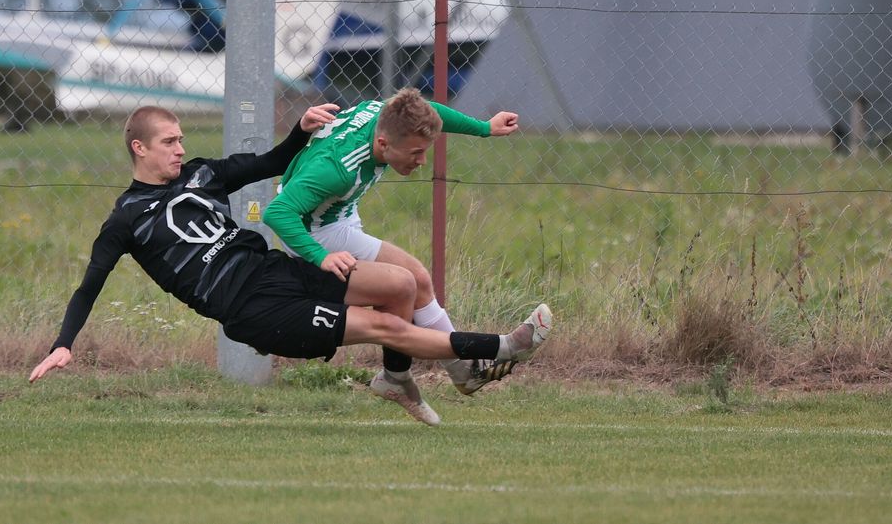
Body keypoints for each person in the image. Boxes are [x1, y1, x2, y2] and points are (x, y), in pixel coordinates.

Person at [28, 104, 552, 426]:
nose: (181, 150)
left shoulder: (204, 174)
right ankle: (501, 348)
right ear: (139, 149)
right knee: (382, 323)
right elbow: (89, 285)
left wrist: (301, 128)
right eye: (169, 142)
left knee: (400, 285)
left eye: (182, 139)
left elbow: (273, 163)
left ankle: (399, 382)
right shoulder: (126, 218)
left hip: (273, 269)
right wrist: (63, 345)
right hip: (249, 308)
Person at [262, 88, 520, 396]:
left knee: (418, 281)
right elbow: (278, 212)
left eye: (425, 150)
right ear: (384, 143)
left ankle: (455, 372)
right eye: (415, 153)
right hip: (315, 230)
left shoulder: (383, 114)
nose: (423, 160)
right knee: (409, 280)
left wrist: (484, 128)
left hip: (336, 214)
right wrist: (321, 257)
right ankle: (433, 372)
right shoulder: (336, 170)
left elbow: (429, 110)